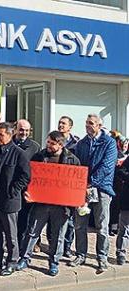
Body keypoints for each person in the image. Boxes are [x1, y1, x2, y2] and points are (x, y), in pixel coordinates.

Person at [15, 131, 80, 276]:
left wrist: (74, 201)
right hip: (40, 203)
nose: (48, 146)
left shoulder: (72, 159)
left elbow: (76, 183)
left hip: (61, 206)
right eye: (48, 142)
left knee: (58, 236)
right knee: (32, 232)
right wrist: (28, 192)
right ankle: (24, 258)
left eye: (52, 143)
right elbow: (29, 176)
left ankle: (54, 263)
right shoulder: (39, 156)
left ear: (61, 144)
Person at [68, 114, 117, 273]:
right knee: (80, 223)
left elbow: (107, 167)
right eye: (86, 123)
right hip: (83, 189)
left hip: (102, 189)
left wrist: (90, 182)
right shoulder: (82, 143)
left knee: (102, 225)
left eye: (91, 123)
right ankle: (80, 254)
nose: (88, 126)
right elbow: (78, 164)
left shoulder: (109, 143)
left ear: (99, 125)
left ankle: (102, 257)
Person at [0, 122, 31, 276]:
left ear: (10, 135)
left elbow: (25, 176)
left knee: (11, 234)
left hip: (9, 201)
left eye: (1, 134)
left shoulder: (18, 153)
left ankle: (12, 262)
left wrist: (13, 190)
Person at [13, 119, 41, 248]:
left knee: (26, 217)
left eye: (26, 130)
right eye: (21, 129)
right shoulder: (9, 143)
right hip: (11, 186)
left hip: (27, 188)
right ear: (15, 129)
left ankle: (25, 244)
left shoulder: (35, 147)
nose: (23, 133)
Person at [57, 116, 80, 257]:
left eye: (63, 123)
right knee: (54, 218)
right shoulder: (54, 140)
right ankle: (54, 244)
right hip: (56, 186)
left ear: (70, 127)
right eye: (59, 123)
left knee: (70, 219)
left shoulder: (76, 144)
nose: (61, 125)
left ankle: (67, 246)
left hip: (69, 186)